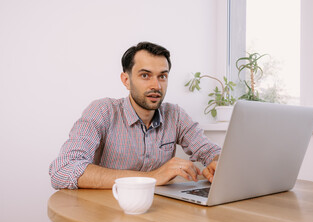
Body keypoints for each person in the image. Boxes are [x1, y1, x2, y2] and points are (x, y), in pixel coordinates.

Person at [49, 41, 221, 191]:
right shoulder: (103, 111)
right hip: (104, 213)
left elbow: (212, 153)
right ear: (126, 80)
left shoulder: (175, 115)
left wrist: (217, 163)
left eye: (162, 76)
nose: (156, 86)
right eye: (145, 75)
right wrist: (151, 178)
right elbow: (63, 169)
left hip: (153, 214)